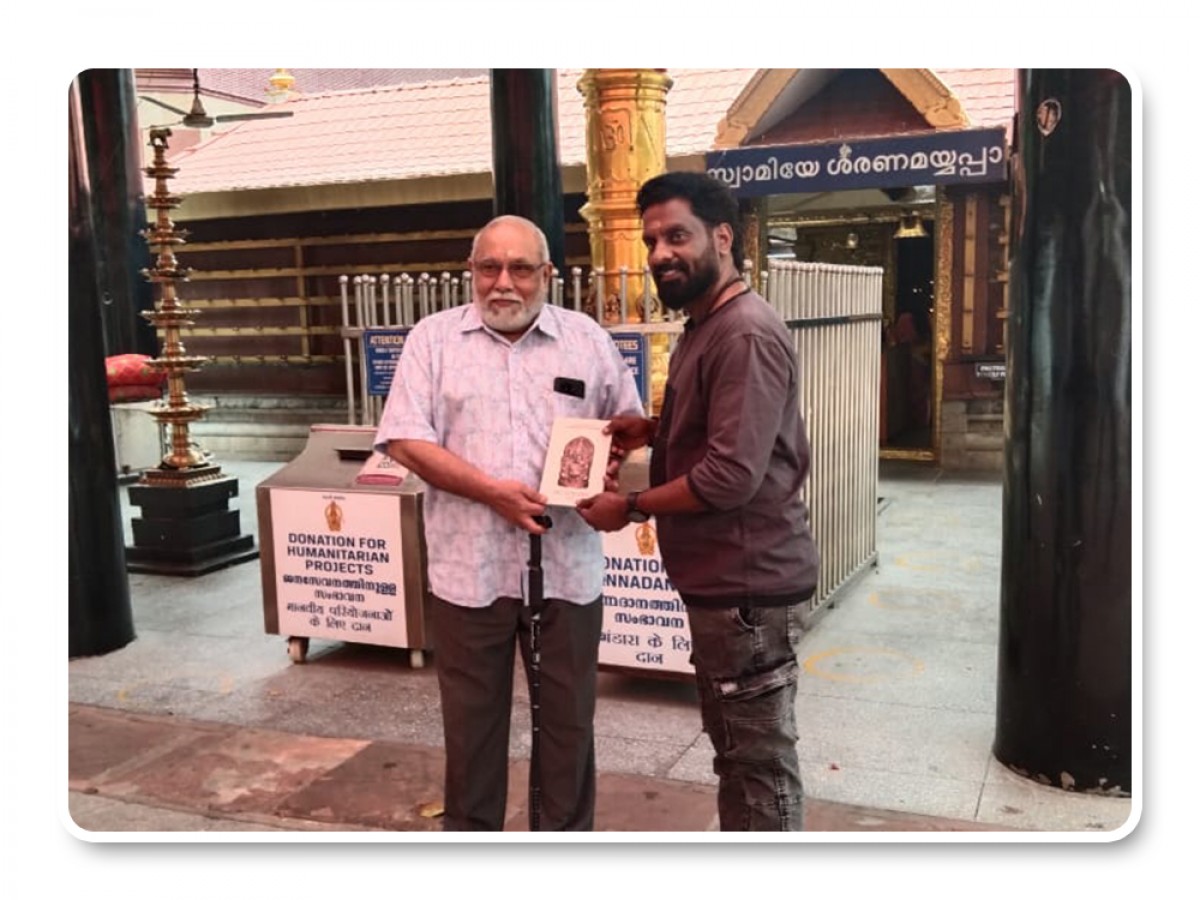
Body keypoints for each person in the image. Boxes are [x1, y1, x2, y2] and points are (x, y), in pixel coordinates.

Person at [374, 214, 643, 831]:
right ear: (471, 272)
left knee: (570, 724)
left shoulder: (587, 340)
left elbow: (625, 425)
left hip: (567, 570)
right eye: (488, 267)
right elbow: (406, 440)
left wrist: (610, 464)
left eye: (520, 268)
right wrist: (492, 493)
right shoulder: (433, 340)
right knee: (472, 729)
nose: (504, 283)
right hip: (469, 571)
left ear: (548, 275)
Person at [576, 172, 819, 831]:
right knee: (737, 755)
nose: (660, 253)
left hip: (747, 589)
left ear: (721, 236)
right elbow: (728, 435)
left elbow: (729, 476)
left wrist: (629, 508)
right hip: (724, 587)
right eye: (652, 240)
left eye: (676, 236)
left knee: (758, 767)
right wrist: (653, 432)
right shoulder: (705, 326)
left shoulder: (741, 333)